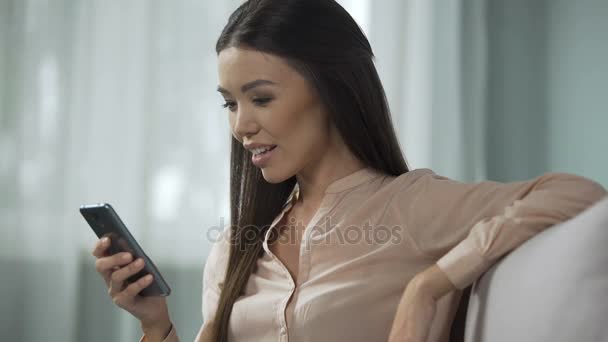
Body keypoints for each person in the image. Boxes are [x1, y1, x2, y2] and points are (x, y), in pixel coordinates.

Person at [91, 0, 607, 341]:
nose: (242, 125)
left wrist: (430, 284)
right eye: (229, 104)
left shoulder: (410, 206)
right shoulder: (235, 248)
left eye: (261, 98)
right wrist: (155, 325)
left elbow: (578, 193)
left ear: (331, 89)